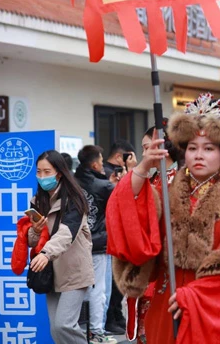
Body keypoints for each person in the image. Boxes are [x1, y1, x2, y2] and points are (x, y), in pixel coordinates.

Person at [106, 93, 220, 344]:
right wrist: (144, 167)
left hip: (215, 314)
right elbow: (127, 216)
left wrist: (195, 296)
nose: (199, 155)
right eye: (192, 148)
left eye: (209, 148)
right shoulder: (165, 192)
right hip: (167, 307)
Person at [122, 123, 183, 343]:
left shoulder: (180, 178)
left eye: (147, 147)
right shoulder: (156, 178)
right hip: (151, 262)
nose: (144, 153)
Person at [28, 150, 94, 343]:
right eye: (38, 172)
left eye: (46, 171)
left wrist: (46, 254)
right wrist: (36, 231)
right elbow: (32, 241)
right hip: (50, 273)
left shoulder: (75, 199)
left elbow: (67, 233)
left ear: (59, 172)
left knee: (63, 325)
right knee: (56, 331)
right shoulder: (38, 201)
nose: (41, 176)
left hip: (74, 271)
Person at [74, 145, 118, 344]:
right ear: (94, 164)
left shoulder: (72, 183)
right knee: (100, 290)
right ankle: (96, 331)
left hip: (74, 243)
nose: (102, 164)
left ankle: (83, 329)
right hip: (98, 243)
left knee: (77, 288)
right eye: (101, 161)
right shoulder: (104, 186)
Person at [103, 139, 136, 334]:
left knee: (117, 282)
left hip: (117, 233)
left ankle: (117, 317)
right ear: (119, 157)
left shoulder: (112, 173)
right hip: (110, 234)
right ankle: (112, 318)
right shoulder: (108, 175)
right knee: (112, 283)